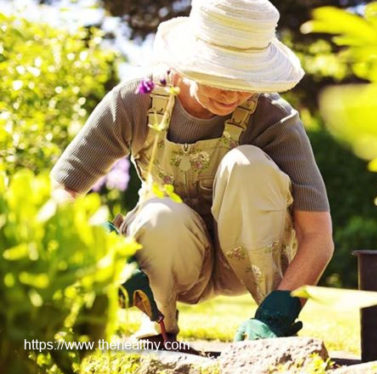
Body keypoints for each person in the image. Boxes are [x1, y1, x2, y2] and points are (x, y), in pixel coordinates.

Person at [50, 0, 333, 343]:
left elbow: (317, 235)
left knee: (247, 165)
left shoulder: (275, 119)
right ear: (189, 61)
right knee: (157, 213)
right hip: (169, 256)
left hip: (250, 260)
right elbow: (61, 191)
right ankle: (158, 325)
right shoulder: (135, 102)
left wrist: (282, 308)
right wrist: (101, 241)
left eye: (246, 79)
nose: (233, 93)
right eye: (221, 75)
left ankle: (268, 329)